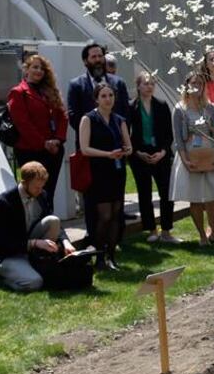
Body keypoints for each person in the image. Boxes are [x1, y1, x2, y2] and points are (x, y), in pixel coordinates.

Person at [67, 43, 131, 237]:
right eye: (93, 57)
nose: (97, 60)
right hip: (91, 154)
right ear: (86, 61)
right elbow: (72, 115)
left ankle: (116, 239)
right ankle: (94, 239)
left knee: (116, 199)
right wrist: (96, 130)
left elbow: (125, 114)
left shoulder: (118, 83)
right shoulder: (76, 85)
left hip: (116, 152)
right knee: (93, 201)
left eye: (100, 56)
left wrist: (119, 139)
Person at [0, 161, 77, 291]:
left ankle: (43, 260)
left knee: (53, 220)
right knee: (34, 283)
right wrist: (34, 243)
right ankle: (3, 276)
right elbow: (4, 241)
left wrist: (65, 242)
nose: (40, 191)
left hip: (31, 246)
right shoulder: (3, 203)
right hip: (9, 253)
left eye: (42, 187)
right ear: (24, 182)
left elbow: (52, 219)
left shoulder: (42, 195)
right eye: (36, 188)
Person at [170, 71, 214, 246]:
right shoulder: (180, 110)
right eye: (193, 83)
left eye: (200, 83)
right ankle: (202, 236)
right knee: (197, 198)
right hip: (192, 158)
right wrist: (185, 161)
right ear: (187, 86)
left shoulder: (210, 107)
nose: (197, 86)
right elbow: (178, 140)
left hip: (213, 156)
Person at [78, 82, 132, 270]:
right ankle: (99, 256)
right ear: (96, 99)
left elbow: (129, 145)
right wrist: (107, 154)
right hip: (98, 171)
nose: (108, 99)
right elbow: (84, 148)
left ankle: (112, 256)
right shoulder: (88, 119)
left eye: (110, 95)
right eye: (103, 96)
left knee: (116, 214)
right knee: (104, 215)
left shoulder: (119, 120)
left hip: (117, 171)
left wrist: (125, 151)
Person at [128, 72, 180, 244]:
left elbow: (168, 134)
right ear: (138, 86)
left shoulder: (162, 105)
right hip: (140, 155)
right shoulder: (131, 107)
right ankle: (151, 229)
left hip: (160, 154)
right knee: (145, 193)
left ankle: (166, 231)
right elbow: (127, 135)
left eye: (152, 83)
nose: (149, 86)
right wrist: (136, 152)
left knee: (166, 193)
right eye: (145, 83)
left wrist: (163, 152)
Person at [7, 54, 68, 201]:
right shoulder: (18, 92)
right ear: (26, 70)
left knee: (49, 190)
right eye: (35, 67)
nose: (39, 71)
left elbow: (63, 116)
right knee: (34, 191)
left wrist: (58, 140)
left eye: (42, 69)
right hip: (30, 151)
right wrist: (43, 143)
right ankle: (36, 222)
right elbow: (22, 123)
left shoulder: (50, 91)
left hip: (53, 150)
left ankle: (49, 221)